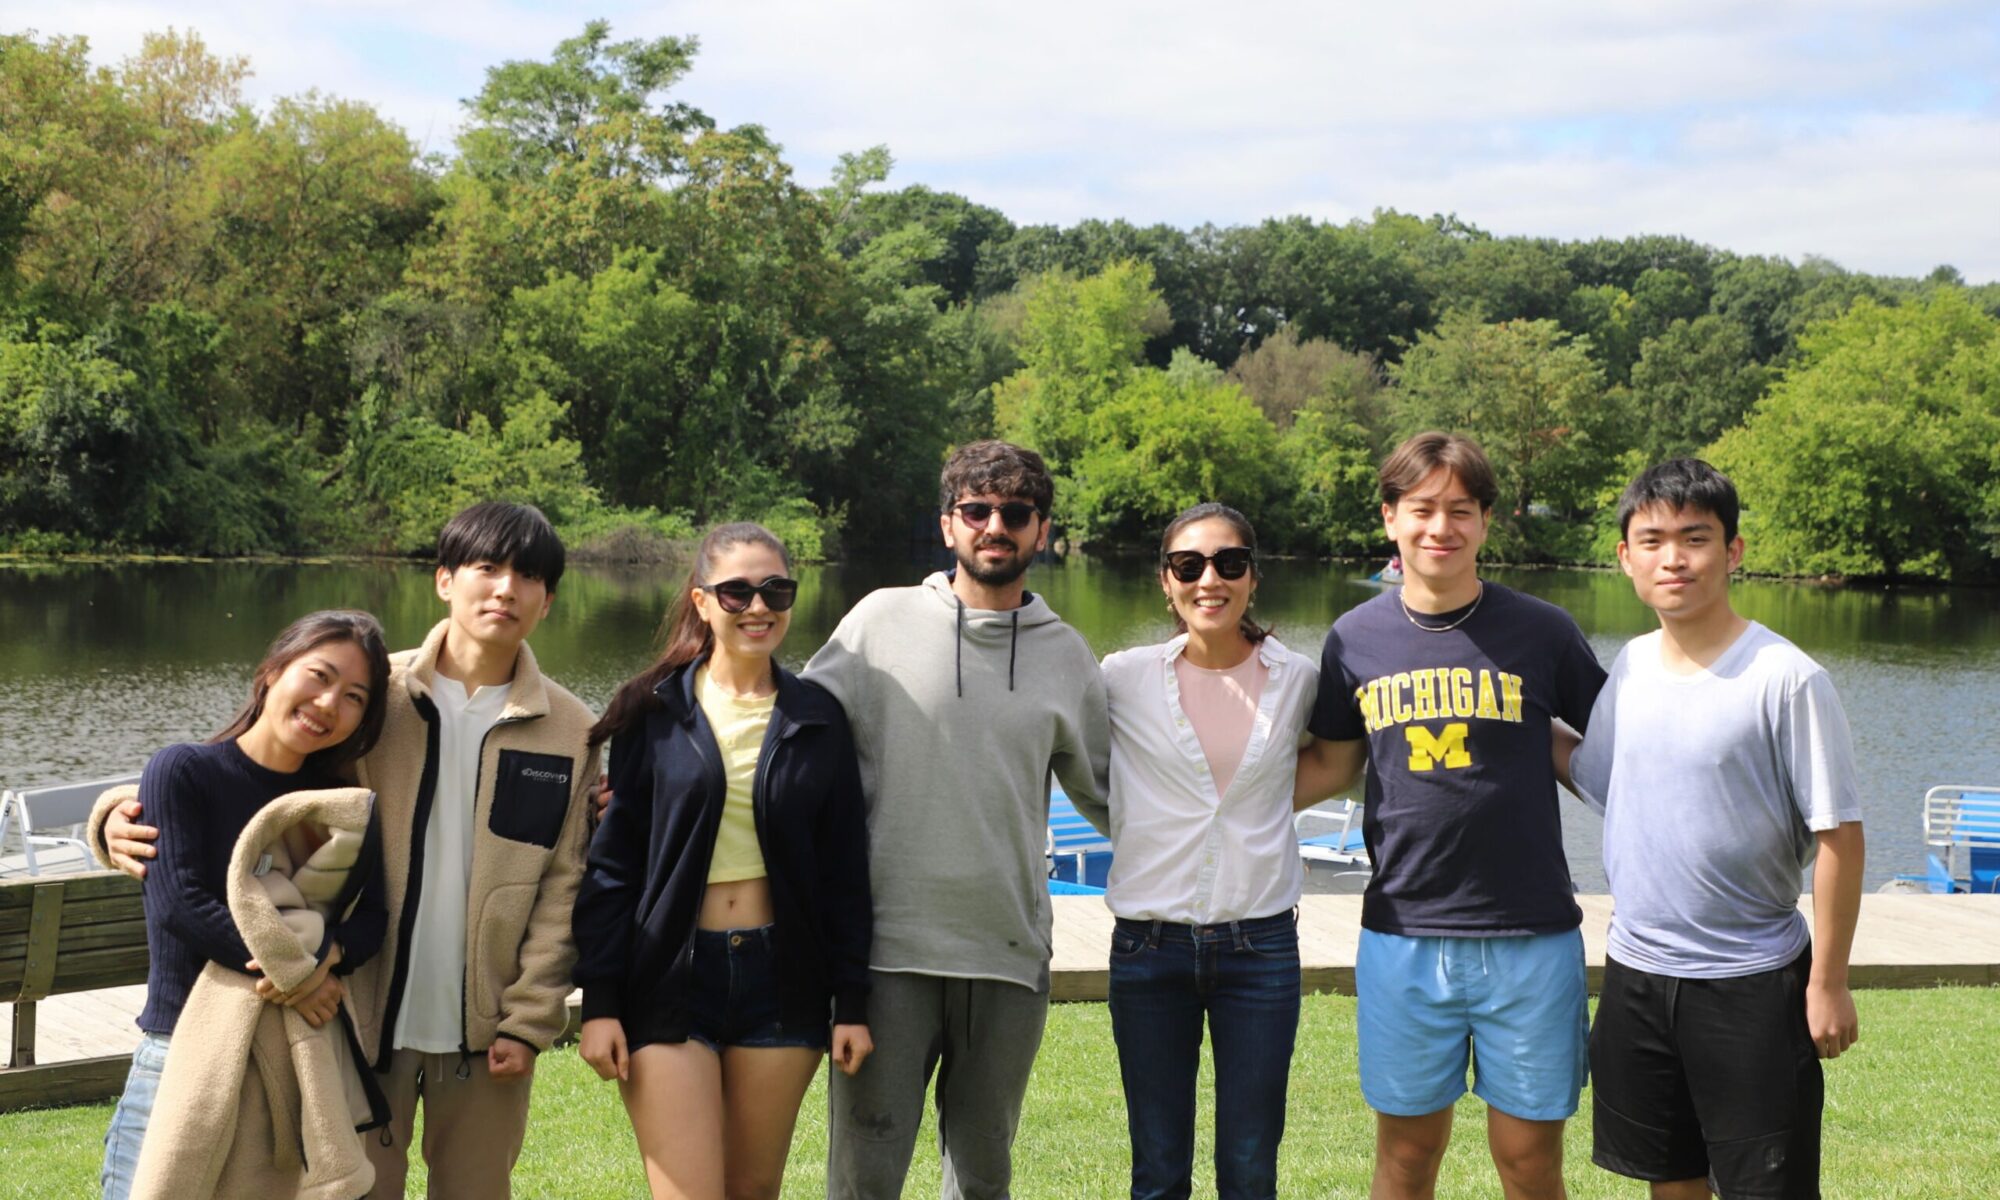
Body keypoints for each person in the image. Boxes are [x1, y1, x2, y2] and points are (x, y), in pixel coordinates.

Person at [101, 502, 601, 1198]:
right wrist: (110, 816)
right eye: (486, 569)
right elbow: (254, 768)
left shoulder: (573, 730)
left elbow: (562, 885)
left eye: (528, 577)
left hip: (488, 1036)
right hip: (354, 1021)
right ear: (445, 580)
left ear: (548, 601)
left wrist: (531, 1015)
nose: (505, 590)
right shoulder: (374, 695)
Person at [1295, 431, 1607, 1200]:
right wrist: (1207, 804)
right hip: (1404, 933)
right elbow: (1334, 764)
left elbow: (1614, 747)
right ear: (1390, 518)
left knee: (1529, 1161)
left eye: (1460, 510)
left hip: (1529, 934)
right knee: (1406, 1157)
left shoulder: (1542, 630)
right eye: (1423, 509)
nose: (1442, 527)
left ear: (1486, 522)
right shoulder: (1353, 639)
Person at [804, 439, 1110, 1200]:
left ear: (1042, 531)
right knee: (862, 1178)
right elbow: (787, 740)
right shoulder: (878, 622)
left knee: (982, 1180)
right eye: (977, 510)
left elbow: (1117, 798)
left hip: (1008, 957)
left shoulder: (1068, 656)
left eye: (1016, 512)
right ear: (948, 525)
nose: (994, 526)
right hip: (888, 957)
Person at [1564, 459, 1864, 1200]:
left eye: (1695, 538)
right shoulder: (1630, 667)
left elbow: (1839, 837)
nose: (1674, 558)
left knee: (1769, 1188)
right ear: (1625, 558)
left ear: (1732, 552)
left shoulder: (1785, 678)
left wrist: (1827, 983)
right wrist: (1506, 718)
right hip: (1637, 975)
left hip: (1752, 982)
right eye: (1653, 540)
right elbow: (1596, 777)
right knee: (1671, 1182)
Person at [572, 522, 873, 1200]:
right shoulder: (652, 713)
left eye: (775, 590)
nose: (758, 607)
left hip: (783, 980)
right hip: (670, 975)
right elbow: (612, 869)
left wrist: (850, 1001)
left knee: (751, 1191)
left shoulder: (818, 716)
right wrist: (600, 1001)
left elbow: (844, 872)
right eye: (736, 592)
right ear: (702, 601)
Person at [93, 609, 392, 1200]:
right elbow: (182, 905)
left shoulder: (338, 804)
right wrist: (300, 974)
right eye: (318, 675)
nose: (329, 702)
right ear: (273, 671)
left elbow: (374, 918)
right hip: (177, 1047)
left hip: (287, 1060)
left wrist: (327, 957)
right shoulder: (184, 771)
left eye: (354, 696)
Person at [1098, 502, 1317, 1200]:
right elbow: (1074, 766)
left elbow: (1341, 762)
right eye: (1188, 566)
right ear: (1166, 582)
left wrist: (1259, 810)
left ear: (1254, 577)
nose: (1209, 580)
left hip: (1261, 954)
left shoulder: (1299, 679)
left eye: (1229, 563)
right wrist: (1128, 821)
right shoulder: (1120, 678)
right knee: (1158, 1172)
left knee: (1250, 1170)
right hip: (1146, 951)